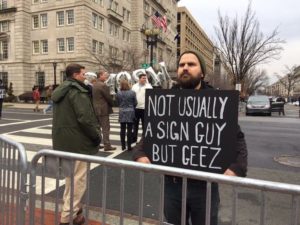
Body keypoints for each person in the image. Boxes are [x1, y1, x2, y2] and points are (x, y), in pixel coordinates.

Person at [133, 50, 248, 225]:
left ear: (202, 72)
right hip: (172, 184)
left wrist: (237, 167)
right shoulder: (165, 100)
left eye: (191, 64)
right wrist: (140, 153)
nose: (185, 68)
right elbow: (151, 133)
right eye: (181, 65)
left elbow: (236, 137)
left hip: (205, 186)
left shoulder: (216, 101)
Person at [52, 63, 101, 225]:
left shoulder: (61, 90)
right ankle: (67, 218)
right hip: (78, 143)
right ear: (75, 75)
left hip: (63, 142)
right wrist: (96, 136)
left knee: (70, 180)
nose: (85, 76)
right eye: (83, 74)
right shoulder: (77, 91)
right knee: (78, 182)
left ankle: (75, 213)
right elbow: (85, 119)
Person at [92, 70, 116, 151]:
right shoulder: (103, 85)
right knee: (105, 128)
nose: (106, 76)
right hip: (103, 109)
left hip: (95, 108)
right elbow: (108, 97)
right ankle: (107, 145)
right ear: (100, 76)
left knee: (97, 128)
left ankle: (98, 144)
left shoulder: (94, 84)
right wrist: (113, 103)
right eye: (105, 75)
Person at [116, 79, 137, 151]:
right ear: (128, 84)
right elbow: (135, 103)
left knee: (122, 129)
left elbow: (117, 102)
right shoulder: (132, 92)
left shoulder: (118, 93)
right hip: (130, 111)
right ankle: (129, 146)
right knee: (129, 129)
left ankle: (123, 146)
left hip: (122, 111)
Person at [131, 73, 153, 143]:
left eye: (145, 78)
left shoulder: (149, 86)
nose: (144, 79)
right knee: (135, 125)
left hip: (145, 108)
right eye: (143, 78)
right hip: (136, 108)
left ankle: (144, 139)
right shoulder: (134, 86)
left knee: (144, 125)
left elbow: (152, 96)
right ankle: (134, 138)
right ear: (139, 79)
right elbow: (132, 96)